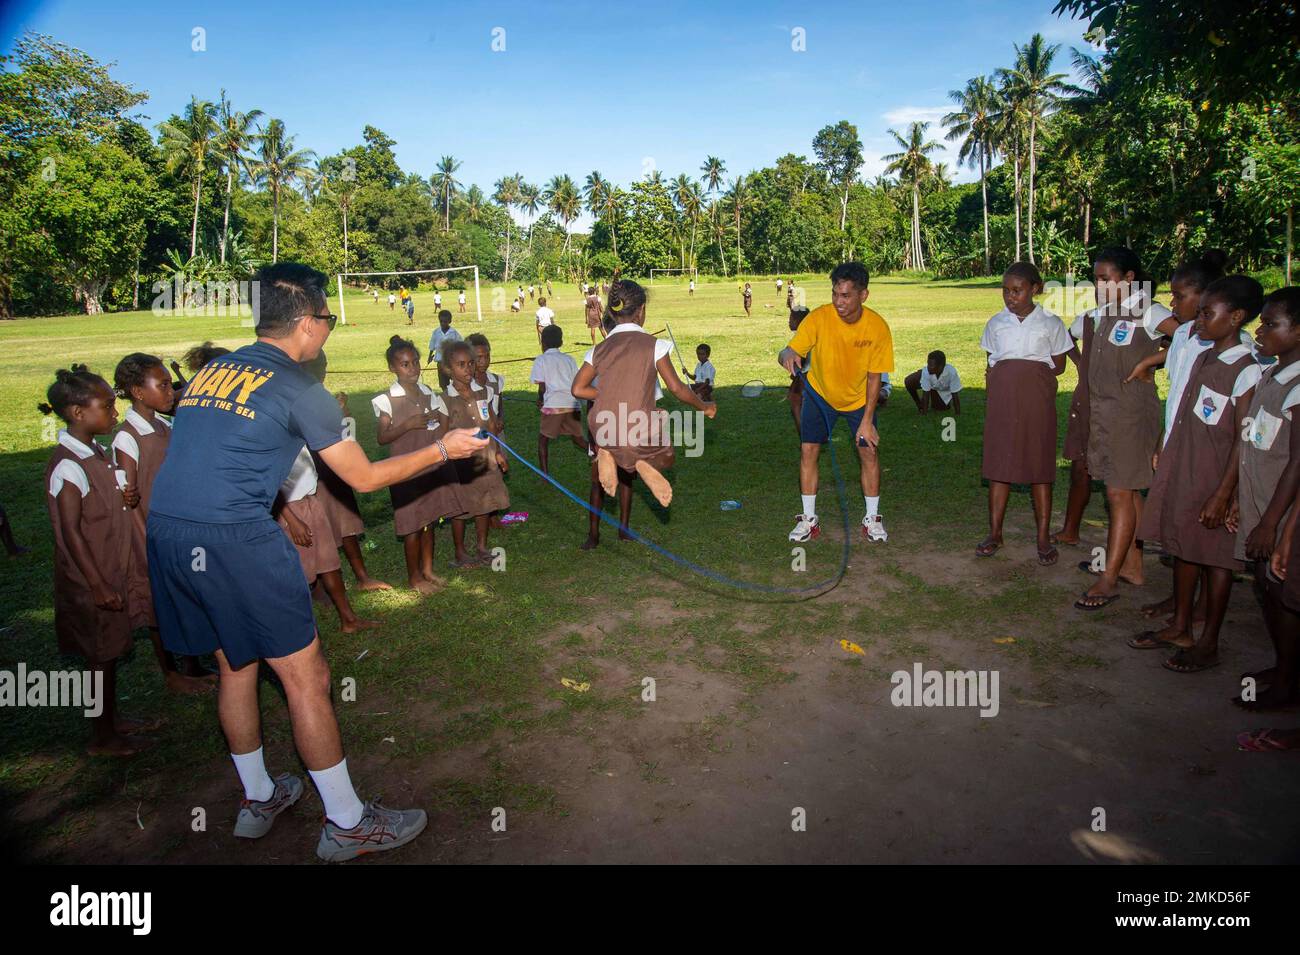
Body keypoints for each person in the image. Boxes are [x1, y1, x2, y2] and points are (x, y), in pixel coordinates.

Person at [146, 263, 488, 861]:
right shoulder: (300, 387)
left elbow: (222, 452)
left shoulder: (214, 370)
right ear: (307, 323)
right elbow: (364, 476)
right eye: (328, 316)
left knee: (236, 666)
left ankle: (259, 797)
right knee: (308, 679)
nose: (329, 327)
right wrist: (443, 449)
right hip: (236, 543)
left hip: (171, 536)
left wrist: (275, 500)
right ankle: (349, 824)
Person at [1130, 275, 1262, 670]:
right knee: (1183, 544)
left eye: (1208, 313)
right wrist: (1163, 446)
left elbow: (1243, 438)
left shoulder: (1247, 370)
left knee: (1217, 557)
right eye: (1199, 311)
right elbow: (1185, 410)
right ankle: (1181, 624)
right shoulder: (1205, 355)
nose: (1199, 319)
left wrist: (1225, 494)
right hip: (1186, 464)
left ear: (1236, 317)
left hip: (1218, 474)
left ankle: (1209, 641)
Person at [41, 365, 159, 756]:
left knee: (109, 653)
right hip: (92, 576)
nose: (113, 413)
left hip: (112, 565)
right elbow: (70, 531)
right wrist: (96, 584)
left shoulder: (96, 453)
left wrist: (123, 498)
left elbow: (106, 499)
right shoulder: (68, 465)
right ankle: (102, 737)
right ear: (78, 413)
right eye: (106, 406)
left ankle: (110, 719)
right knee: (100, 658)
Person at [1123, 251, 1227, 620]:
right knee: (1178, 523)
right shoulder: (1183, 334)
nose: (1171, 302)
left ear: (1208, 298)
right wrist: (1150, 361)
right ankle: (1181, 598)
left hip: (1207, 449)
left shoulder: (1226, 344)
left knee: (1202, 532)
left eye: (1179, 296)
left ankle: (1196, 609)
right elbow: (1178, 387)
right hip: (1175, 440)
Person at [111, 353, 214, 693]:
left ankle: (192, 661)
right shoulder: (127, 437)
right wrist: (147, 542)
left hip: (179, 527)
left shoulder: (163, 425)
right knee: (159, 605)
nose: (171, 391)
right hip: (150, 535)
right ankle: (171, 672)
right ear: (138, 392)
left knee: (185, 594)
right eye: (164, 385)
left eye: (171, 385)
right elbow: (128, 498)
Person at [1075, 247, 1170, 610]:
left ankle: (1109, 579)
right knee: (1127, 493)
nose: (1098, 285)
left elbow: (1192, 339)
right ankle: (1132, 567)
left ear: (1129, 278)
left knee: (1118, 492)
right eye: (1095, 279)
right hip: (1105, 413)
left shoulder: (1150, 311)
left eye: (1105, 279)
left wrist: (1151, 359)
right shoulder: (1104, 312)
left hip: (1131, 414)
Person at [573, 280, 716, 512]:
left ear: (610, 311)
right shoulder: (654, 346)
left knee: (618, 443)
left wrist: (608, 392)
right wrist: (705, 407)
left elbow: (577, 389)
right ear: (641, 311)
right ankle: (642, 464)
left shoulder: (598, 350)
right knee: (666, 457)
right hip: (638, 422)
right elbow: (677, 388)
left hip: (601, 422)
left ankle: (606, 453)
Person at [778, 263, 894, 544]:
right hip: (820, 396)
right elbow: (789, 350)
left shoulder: (877, 327)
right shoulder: (818, 318)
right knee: (808, 450)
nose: (838, 302)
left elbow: (875, 378)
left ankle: (872, 519)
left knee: (868, 452)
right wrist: (787, 356)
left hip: (858, 399)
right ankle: (808, 520)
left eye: (845, 296)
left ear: (863, 295)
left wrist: (867, 420)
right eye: (835, 294)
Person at [977, 263, 1073, 565]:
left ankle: (1043, 537)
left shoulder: (1051, 323)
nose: (1010, 296)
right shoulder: (996, 323)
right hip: (1003, 401)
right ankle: (995, 532)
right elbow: (991, 362)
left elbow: (1059, 365)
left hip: (1036, 401)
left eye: (1017, 290)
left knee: (1039, 465)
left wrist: (1029, 377)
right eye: (1006, 290)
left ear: (1036, 288)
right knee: (999, 464)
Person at [1236, 287, 1300, 710]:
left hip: (1279, 511)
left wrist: (1268, 523)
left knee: (1284, 595)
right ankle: (1284, 666)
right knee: (1267, 588)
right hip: (1258, 499)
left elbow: (1297, 462)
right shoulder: (1272, 371)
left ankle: (1289, 684)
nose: (1259, 330)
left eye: (1271, 324)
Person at [374, 336, 464, 595]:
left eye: (415, 362)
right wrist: (407, 425)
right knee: (412, 524)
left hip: (430, 466)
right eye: (405, 365)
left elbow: (439, 428)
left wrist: (436, 423)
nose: (412, 368)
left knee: (430, 520)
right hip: (404, 471)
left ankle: (428, 570)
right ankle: (414, 577)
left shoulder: (428, 393)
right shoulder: (388, 399)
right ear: (393, 368)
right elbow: (382, 437)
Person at [302, 353, 390, 593]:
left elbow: (347, 430)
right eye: (318, 368)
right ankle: (318, 585)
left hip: (335, 472)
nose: (322, 373)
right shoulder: (300, 399)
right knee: (318, 530)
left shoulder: (322, 396)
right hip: (312, 477)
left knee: (346, 525)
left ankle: (361, 576)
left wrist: (342, 412)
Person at [274, 444, 381, 633]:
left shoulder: (291, 426)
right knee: (300, 574)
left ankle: (349, 619)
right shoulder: (267, 434)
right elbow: (267, 482)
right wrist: (291, 519)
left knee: (329, 564)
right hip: (291, 509)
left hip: (311, 499)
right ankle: (299, 633)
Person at [442, 341, 510, 567]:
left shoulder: (484, 391)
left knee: (485, 502)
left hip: (485, 458)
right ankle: (460, 552)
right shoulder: (444, 399)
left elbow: (491, 424)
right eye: (461, 365)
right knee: (460, 508)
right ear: (448, 369)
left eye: (471, 363)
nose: (468, 369)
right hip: (461, 463)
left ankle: (482, 547)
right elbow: (442, 435)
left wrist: (498, 452)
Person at [530, 324, 586, 474]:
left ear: (543, 343)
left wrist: (540, 399)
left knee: (543, 441)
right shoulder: (569, 359)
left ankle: (544, 476)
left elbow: (542, 387)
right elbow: (577, 381)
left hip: (553, 406)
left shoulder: (541, 360)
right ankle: (599, 456)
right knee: (579, 440)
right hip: (573, 405)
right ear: (561, 342)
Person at [903, 350, 962, 415]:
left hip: (940, 390)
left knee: (940, 409)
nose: (928, 367)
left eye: (931, 365)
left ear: (941, 366)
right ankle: (919, 404)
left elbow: (955, 395)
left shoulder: (951, 372)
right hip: (929, 382)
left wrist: (957, 414)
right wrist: (924, 413)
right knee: (909, 381)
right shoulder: (926, 371)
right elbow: (925, 393)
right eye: (928, 364)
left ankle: (937, 399)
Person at [467, 332, 504, 433]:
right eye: (478, 357)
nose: (484, 361)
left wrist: (500, 418)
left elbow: (499, 402)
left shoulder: (496, 380)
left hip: (496, 432)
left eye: (487, 356)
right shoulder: (465, 384)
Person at [786, 306, 810, 437]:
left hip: (805, 379)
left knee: (796, 404)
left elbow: (801, 360)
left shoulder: (801, 338)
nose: (788, 321)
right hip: (807, 378)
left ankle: (806, 438)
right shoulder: (809, 333)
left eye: (791, 318)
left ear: (798, 320)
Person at [428, 309, 463, 390]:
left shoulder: (454, 333)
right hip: (440, 363)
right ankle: (446, 397)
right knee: (443, 384)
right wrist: (430, 356)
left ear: (450, 321)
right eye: (441, 321)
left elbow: (460, 344)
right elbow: (432, 345)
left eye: (445, 321)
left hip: (451, 362)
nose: (443, 323)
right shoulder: (436, 332)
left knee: (456, 381)